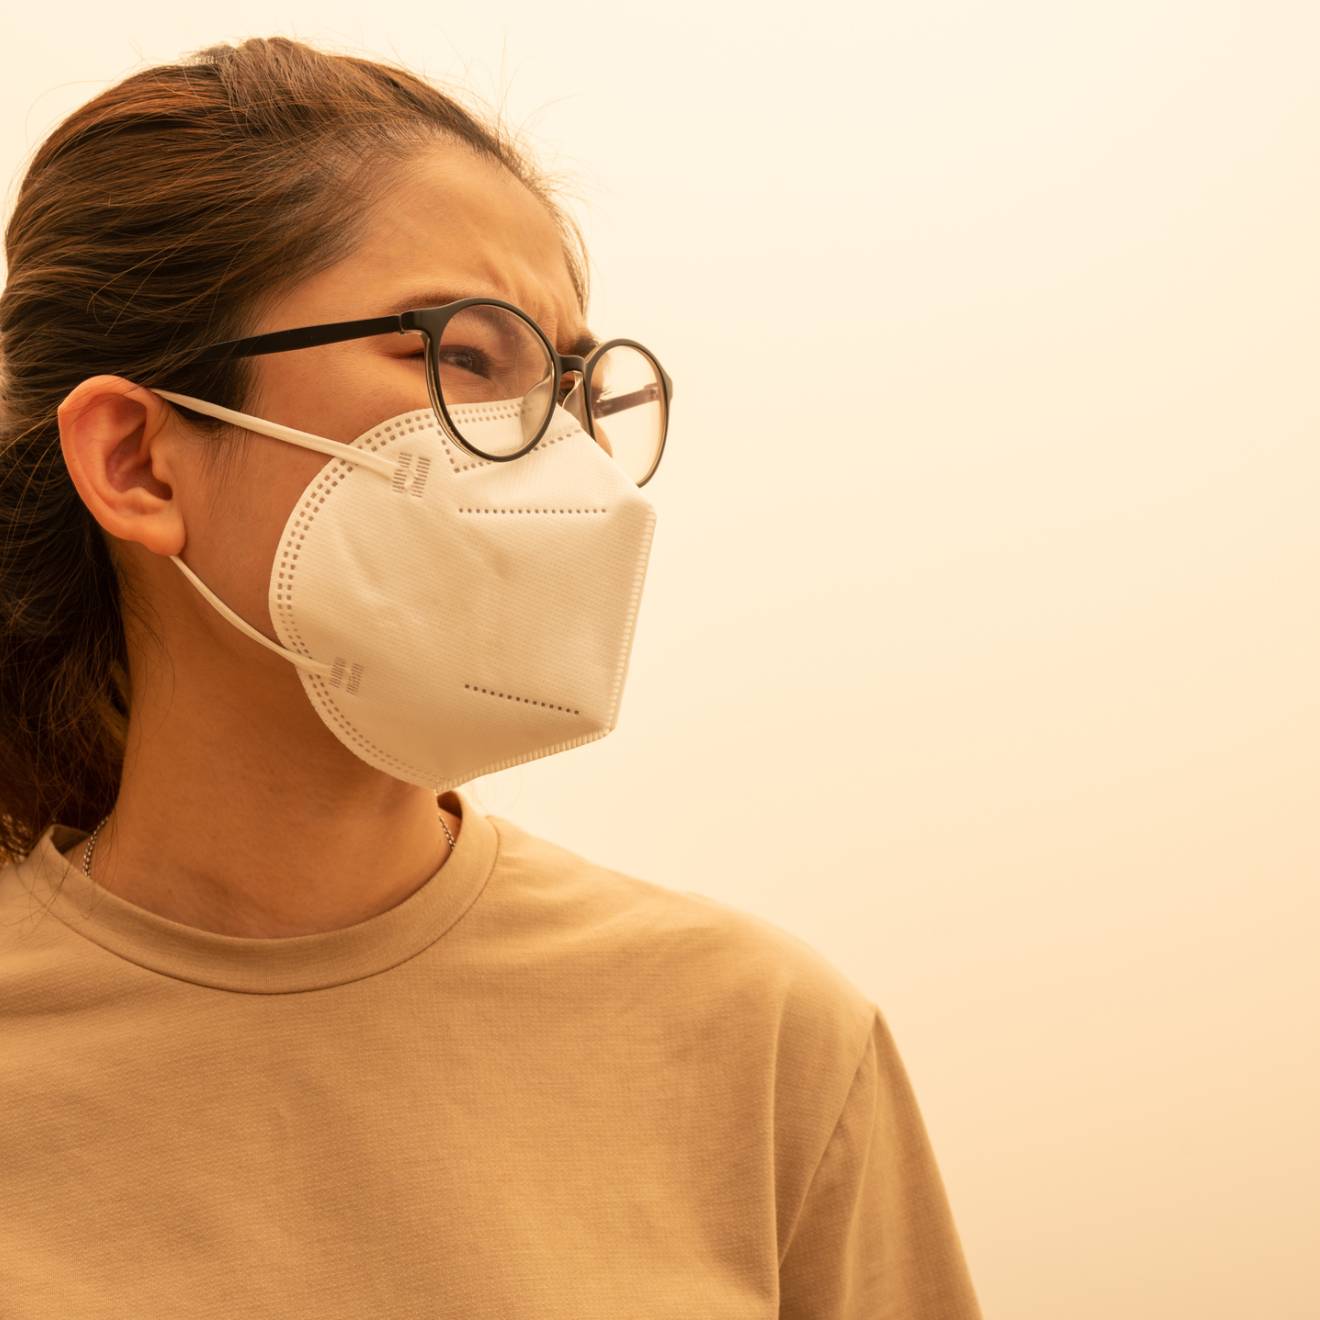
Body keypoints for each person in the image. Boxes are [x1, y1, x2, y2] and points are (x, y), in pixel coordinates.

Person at [0, 36, 983, 1317]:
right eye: (467, 361)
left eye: (570, 389)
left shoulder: (762, 1041)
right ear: (136, 460)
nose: (558, 466)